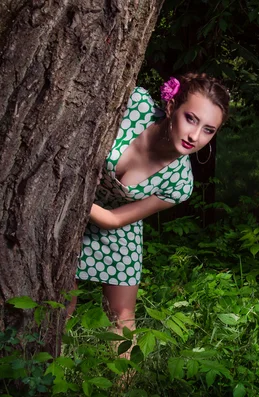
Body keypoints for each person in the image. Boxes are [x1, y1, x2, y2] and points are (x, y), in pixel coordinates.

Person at [71, 73, 230, 340]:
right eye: (190, 118)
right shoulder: (135, 105)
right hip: (69, 208)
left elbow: (112, 220)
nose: (195, 135)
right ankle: (46, 374)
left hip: (115, 227)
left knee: (122, 317)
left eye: (208, 130)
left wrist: (70, 197)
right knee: (62, 301)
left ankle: (124, 381)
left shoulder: (180, 183)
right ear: (171, 107)